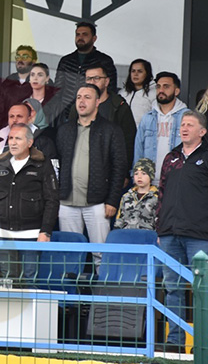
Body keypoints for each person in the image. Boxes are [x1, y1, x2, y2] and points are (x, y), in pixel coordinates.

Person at [156, 111, 208, 353]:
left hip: (200, 236)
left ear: (202, 131)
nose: (184, 128)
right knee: (172, 288)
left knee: (201, 290)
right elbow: (161, 194)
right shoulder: (171, 157)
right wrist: (160, 227)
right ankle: (174, 342)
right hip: (169, 234)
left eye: (190, 125)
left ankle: (201, 345)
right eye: (182, 124)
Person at [56, 84, 127, 268]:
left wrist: (112, 201)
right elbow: (56, 165)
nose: (81, 101)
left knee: (101, 254)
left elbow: (119, 168)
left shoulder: (111, 130)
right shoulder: (64, 130)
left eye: (87, 97)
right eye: (79, 97)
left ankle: (102, 287)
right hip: (67, 202)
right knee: (69, 255)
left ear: (97, 102)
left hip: (98, 203)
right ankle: (71, 288)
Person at [0, 124, 59, 285]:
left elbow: (52, 200)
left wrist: (46, 231)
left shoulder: (42, 164)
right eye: (11, 138)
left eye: (18, 138)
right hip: (4, 233)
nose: (13, 142)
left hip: (32, 234)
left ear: (30, 142)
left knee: (30, 279)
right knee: (7, 280)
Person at [0, 102, 58, 198]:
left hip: (32, 203)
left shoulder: (43, 141)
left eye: (19, 116)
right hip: (0, 203)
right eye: (11, 116)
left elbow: (52, 178)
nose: (15, 120)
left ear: (29, 119)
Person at [69, 65, 136, 165]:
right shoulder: (77, 107)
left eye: (96, 78)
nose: (92, 82)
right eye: (88, 79)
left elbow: (128, 142)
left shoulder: (119, 106)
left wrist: (123, 170)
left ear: (106, 81)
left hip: (110, 166)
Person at [54, 22, 117, 120]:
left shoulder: (104, 61)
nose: (80, 37)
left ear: (94, 38)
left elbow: (110, 90)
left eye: (85, 34)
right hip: (66, 115)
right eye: (77, 34)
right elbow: (57, 90)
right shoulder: (66, 61)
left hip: (94, 115)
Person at [134, 72, 188, 184]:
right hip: (149, 182)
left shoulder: (187, 117)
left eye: (166, 86)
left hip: (177, 182)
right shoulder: (147, 118)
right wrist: (137, 176)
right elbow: (138, 149)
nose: (161, 90)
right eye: (158, 86)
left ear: (176, 91)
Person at [0, 45, 37, 134]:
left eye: (25, 56)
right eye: (18, 56)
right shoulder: (8, 82)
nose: (20, 60)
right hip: (8, 131)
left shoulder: (39, 82)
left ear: (34, 61)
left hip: (32, 132)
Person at [115, 158, 158, 230]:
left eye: (144, 173)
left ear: (151, 176)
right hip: (127, 234)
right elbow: (120, 219)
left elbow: (159, 222)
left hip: (147, 235)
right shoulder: (126, 196)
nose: (139, 177)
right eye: (136, 174)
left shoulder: (157, 197)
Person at [118, 59, 156, 127]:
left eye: (140, 71)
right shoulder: (122, 93)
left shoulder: (154, 94)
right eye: (133, 71)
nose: (135, 74)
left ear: (147, 73)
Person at [27, 63, 61, 128]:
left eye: (40, 75)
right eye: (32, 75)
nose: (35, 78)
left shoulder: (55, 103)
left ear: (47, 78)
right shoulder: (22, 100)